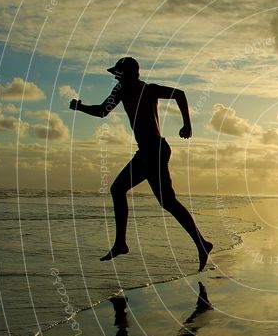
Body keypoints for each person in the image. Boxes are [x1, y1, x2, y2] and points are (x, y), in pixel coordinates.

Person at [70, 57, 213, 270]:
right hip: (151, 151)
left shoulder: (147, 89)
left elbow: (180, 94)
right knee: (165, 201)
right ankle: (202, 243)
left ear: (130, 74)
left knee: (121, 190)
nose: (116, 78)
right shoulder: (122, 91)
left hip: (152, 151)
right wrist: (80, 107)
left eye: (119, 74)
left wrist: (187, 125)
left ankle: (121, 244)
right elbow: (102, 111)